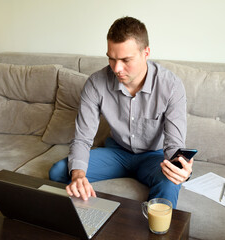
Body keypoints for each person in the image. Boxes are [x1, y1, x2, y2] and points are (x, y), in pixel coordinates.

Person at [49, 16, 193, 209]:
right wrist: (78, 175)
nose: (117, 68)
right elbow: (82, 138)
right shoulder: (96, 83)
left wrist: (180, 168)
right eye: (111, 58)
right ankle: (82, 221)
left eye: (126, 60)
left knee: (170, 183)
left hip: (154, 157)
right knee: (59, 171)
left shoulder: (171, 86)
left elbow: (174, 145)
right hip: (116, 153)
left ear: (146, 53)